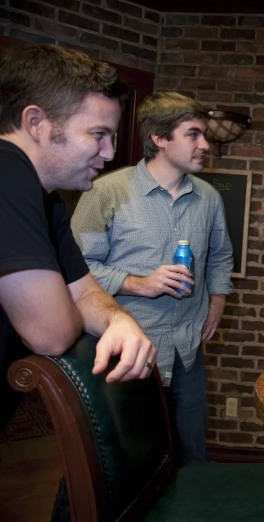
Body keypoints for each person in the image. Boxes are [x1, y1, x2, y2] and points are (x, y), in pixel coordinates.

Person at [70, 92, 234, 466]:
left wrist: (218, 300)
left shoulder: (209, 198)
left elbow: (221, 257)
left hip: (187, 352)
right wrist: (136, 283)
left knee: (191, 456)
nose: (205, 144)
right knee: (114, 462)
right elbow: (77, 267)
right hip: (124, 356)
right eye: (193, 134)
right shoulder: (106, 191)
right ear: (159, 138)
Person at [0, 44, 158, 416]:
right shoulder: (7, 171)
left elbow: (85, 292)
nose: (108, 154)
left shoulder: (48, 198)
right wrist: (72, 307)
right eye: (98, 135)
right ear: (36, 122)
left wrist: (118, 319)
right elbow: (50, 333)